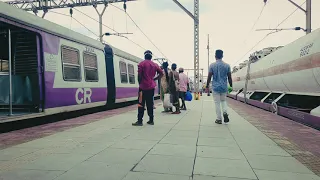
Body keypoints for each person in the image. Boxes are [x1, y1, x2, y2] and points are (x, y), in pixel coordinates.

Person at [133, 50, 163, 126]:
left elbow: (139, 75)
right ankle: (151, 120)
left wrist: (140, 83)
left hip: (142, 88)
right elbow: (161, 73)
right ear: (151, 56)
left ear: (144, 56)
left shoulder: (141, 64)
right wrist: (155, 79)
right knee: (150, 104)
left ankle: (140, 121)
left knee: (140, 104)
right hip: (151, 87)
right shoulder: (155, 65)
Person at [206, 49, 233, 124]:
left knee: (217, 103)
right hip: (224, 87)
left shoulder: (212, 65)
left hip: (215, 87)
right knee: (223, 101)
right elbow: (229, 77)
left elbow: (209, 76)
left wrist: (207, 85)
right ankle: (225, 112)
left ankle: (219, 119)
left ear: (215, 56)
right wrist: (231, 86)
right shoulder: (227, 65)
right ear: (222, 56)